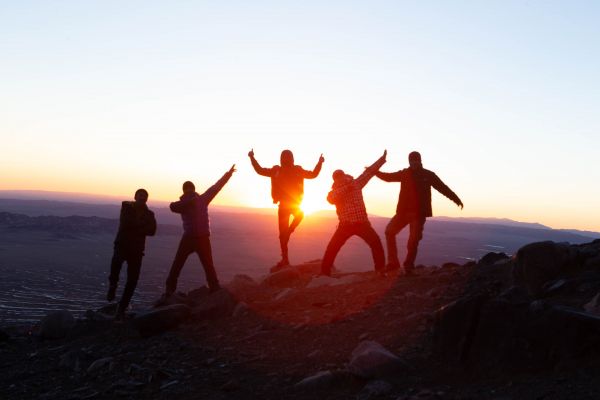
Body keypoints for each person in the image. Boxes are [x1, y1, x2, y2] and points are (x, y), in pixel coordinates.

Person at [375, 151, 463, 275]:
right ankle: (393, 263)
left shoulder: (428, 175)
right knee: (389, 231)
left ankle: (408, 266)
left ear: (420, 161)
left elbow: (442, 187)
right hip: (403, 212)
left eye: (415, 160)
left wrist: (455, 199)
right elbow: (388, 178)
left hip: (418, 214)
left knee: (413, 240)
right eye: (411, 160)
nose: (413, 163)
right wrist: (375, 172)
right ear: (409, 161)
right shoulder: (405, 173)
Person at [163, 165, 236, 296]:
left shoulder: (202, 199)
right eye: (187, 190)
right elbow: (172, 207)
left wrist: (228, 174)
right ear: (184, 191)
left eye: (190, 189)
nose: (189, 191)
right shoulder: (182, 204)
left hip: (201, 238)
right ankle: (170, 289)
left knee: (207, 264)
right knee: (179, 263)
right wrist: (189, 203)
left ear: (193, 190)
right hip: (190, 238)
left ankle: (214, 287)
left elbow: (216, 187)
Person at [248, 149, 324, 271]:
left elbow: (260, 170)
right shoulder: (281, 170)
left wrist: (320, 163)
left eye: (287, 157)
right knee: (284, 233)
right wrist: (252, 158)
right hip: (287, 205)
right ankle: (285, 258)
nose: (286, 159)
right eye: (285, 157)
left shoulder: (286, 170)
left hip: (291, 204)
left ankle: (288, 236)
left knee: (292, 225)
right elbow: (260, 170)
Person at [320, 150, 387, 277]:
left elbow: (369, 172)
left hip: (354, 224)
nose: (342, 179)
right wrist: (347, 187)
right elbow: (331, 199)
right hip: (353, 224)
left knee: (334, 247)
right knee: (334, 248)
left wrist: (381, 160)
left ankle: (325, 272)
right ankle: (380, 270)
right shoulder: (348, 186)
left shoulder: (352, 185)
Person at [107, 188, 157, 319]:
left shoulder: (150, 214)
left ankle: (122, 309)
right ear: (135, 196)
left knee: (133, 280)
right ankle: (113, 285)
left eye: (145, 196)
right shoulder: (126, 207)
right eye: (140, 195)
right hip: (122, 245)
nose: (142, 198)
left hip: (137, 250)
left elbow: (152, 230)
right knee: (115, 266)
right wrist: (142, 226)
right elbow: (126, 223)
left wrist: (136, 226)